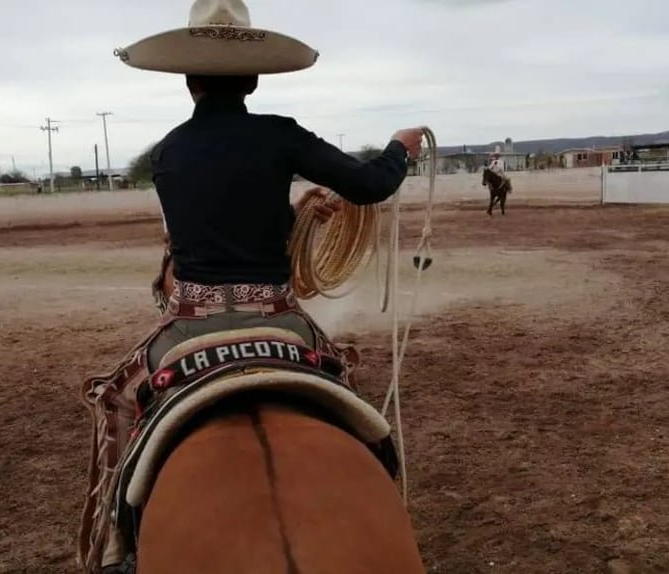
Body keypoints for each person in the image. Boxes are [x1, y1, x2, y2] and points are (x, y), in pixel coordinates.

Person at [78, 1, 423, 572]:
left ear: (188, 82)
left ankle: (114, 553)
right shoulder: (279, 136)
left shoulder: (169, 154)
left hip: (188, 319)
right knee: (343, 380)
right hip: (280, 316)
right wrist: (397, 149)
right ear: (255, 79)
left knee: (115, 401)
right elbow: (369, 186)